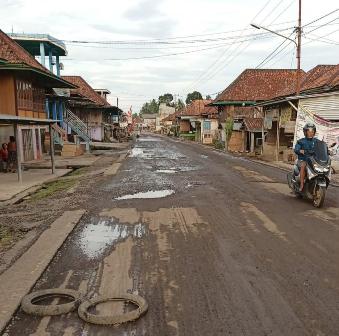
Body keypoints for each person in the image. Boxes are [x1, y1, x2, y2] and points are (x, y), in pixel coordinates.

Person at [294, 123, 319, 191]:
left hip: (313, 160)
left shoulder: (316, 141)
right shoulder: (301, 141)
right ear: (305, 132)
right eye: (309, 131)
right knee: (303, 165)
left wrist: (327, 150)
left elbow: (322, 147)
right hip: (303, 159)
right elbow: (296, 149)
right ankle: (302, 185)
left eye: (312, 131)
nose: (311, 133)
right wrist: (299, 150)